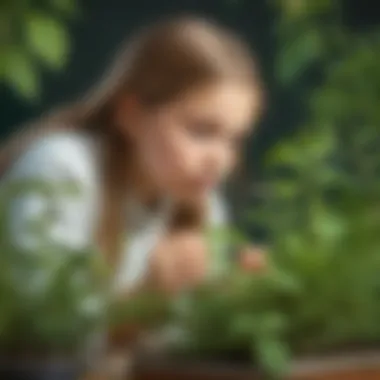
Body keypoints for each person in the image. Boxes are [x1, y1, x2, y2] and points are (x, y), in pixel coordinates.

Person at [0, 16, 265, 346]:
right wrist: (147, 300)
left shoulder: (200, 199)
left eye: (234, 140)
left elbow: (180, 347)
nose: (221, 160)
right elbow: (37, 342)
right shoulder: (61, 169)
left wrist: (235, 303)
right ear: (131, 115)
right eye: (201, 131)